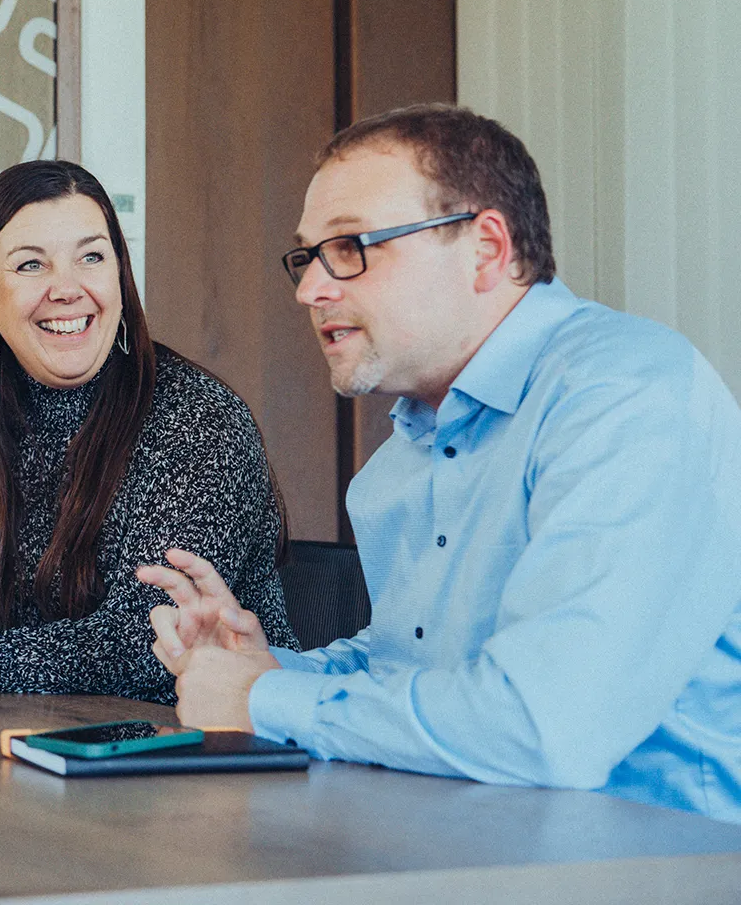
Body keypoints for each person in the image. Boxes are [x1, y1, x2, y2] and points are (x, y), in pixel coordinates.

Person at [143, 104, 741, 822]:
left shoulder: (625, 397)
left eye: (352, 246)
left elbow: (545, 725)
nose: (311, 289)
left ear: (486, 249)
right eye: (309, 257)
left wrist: (263, 699)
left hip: (664, 866)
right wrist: (264, 667)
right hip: (469, 848)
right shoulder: (398, 467)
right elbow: (416, 666)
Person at [0, 160, 297, 700]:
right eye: (30, 266)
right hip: (14, 757)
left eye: (91, 257)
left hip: (198, 758)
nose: (66, 288)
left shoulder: (197, 418)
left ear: (119, 275)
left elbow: (147, 649)